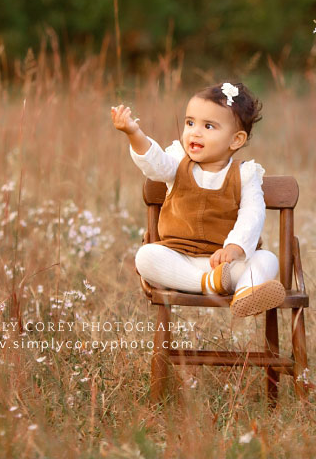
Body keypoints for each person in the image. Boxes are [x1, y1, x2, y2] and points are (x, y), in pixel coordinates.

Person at [113, 81, 286, 317]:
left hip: (225, 264)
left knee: (267, 259)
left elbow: (252, 214)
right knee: (146, 257)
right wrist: (134, 133)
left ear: (236, 140)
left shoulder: (245, 174)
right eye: (190, 123)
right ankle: (206, 283)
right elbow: (154, 164)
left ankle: (246, 292)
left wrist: (234, 248)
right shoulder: (176, 161)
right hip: (180, 260)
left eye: (209, 126)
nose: (194, 131)